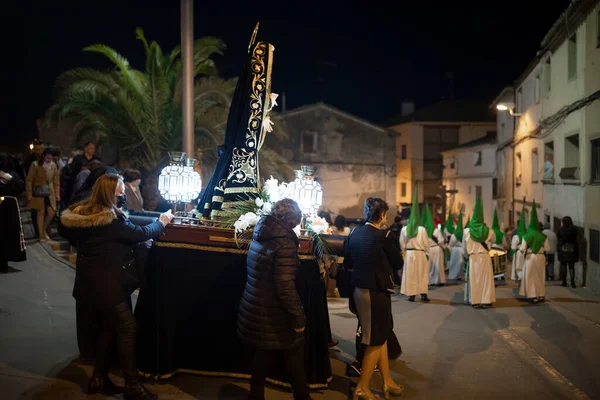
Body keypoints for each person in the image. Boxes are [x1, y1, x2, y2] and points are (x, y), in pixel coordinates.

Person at [59, 174, 173, 399]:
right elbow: (140, 233)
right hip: (108, 285)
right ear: (109, 193)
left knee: (109, 328)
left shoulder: (86, 215)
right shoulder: (110, 220)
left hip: (89, 284)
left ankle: (99, 379)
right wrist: (162, 222)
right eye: (120, 191)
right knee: (127, 328)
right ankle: (132, 386)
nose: (123, 194)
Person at [237, 198, 312, 400]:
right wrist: (298, 318)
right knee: (294, 350)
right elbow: (285, 287)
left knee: (262, 352)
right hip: (274, 311)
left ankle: (256, 395)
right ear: (294, 221)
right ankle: (303, 397)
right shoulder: (284, 243)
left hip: (256, 306)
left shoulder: (262, 231)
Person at [344, 197, 404, 400]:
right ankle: (362, 388)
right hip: (375, 292)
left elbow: (348, 261)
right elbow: (398, 262)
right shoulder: (382, 236)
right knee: (374, 340)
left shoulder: (354, 232)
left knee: (381, 336)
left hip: (359, 289)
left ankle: (387, 382)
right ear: (382, 215)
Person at [463, 196, 496, 309]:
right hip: (485, 257)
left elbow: (464, 248)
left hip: (473, 258)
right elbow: (495, 239)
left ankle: (475, 300)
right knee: (486, 280)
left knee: (475, 280)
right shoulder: (489, 231)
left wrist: (467, 256)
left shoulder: (466, 231)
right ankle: (485, 300)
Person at [400, 186, 430, 302]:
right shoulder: (422, 229)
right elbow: (426, 244)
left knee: (411, 274)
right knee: (422, 274)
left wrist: (405, 251)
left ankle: (411, 295)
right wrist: (427, 253)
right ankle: (423, 294)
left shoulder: (404, 230)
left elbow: (402, 244)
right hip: (420, 254)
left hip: (410, 253)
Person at [26, 147, 60, 241]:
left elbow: (56, 181)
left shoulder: (53, 166)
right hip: (39, 191)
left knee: (51, 212)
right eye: (48, 158)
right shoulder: (35, 164)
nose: (49, 160)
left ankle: (43, 229)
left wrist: (57, 194)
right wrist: (29, 194)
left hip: (50, 192)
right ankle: (41, 235)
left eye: (51, 158)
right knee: (40, 213)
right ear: (44, 155)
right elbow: (29, 180)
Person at [0, 153, 27, 273]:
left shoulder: (12, 174)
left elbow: (21, 186)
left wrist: (9, 177)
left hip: (9, 209)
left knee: (9, 235)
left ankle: (4, 263)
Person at [519, 202, 550, 303]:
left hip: (530, 257)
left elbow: (522, 249)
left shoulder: (527, 236)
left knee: (531, 276)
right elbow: (547, 249)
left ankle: (533, 296)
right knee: (540, 276)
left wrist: (521, 249)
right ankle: (541, 295)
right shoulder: (543, 236)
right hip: (541, 257)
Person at [423, 203, 446, 286]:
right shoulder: (436, 230)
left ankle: (430, 281)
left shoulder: (424, 231)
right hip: (437, 249)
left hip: (429, 250)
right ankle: (439, 280)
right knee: (438, 265)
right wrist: (444, 247)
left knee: (430, 266)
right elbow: (441, 241)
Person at [558, 216, 579, 288]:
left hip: (563, 250)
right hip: (572, 250)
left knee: (563, 266)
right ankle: (573, 283)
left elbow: (558, 237)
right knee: (571, 267)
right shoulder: (574, 229)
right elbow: (576, 238)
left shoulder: (561, 229)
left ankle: (564, 282)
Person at [510, 208, 527, 283]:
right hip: (527, 253)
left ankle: (519, 278)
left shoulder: (515, 234)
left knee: (518, 267)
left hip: (518, 252)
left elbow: (513, 247)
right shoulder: (527, 233)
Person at [447, 211, 465, 280]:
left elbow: (450, 244)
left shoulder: (454, 235)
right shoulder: (463, 234)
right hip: (461, 250)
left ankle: (453, 275)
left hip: (454, 250)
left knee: (454, 263)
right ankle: (460, 276)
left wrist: (451, 250)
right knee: (461, 264)